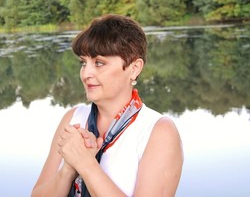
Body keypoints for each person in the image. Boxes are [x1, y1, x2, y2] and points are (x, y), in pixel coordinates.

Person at [31, 14, 183, 197]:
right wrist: (68, 170)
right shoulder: (73, 119)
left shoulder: (159, 131)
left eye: (99, 63)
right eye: (83, 63)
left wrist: (86, 164)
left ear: (134, 68)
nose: (86, 73)